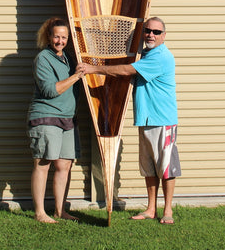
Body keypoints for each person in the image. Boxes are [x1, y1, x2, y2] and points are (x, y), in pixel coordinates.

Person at [76, 17, 181, 224]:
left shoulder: (160, 57)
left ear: (164, 36)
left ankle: (167, 210)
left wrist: (93, 68)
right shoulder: (145, 54)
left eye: (156, 32)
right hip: (147, 119)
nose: (151, 34)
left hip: (163, 120)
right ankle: (151, 209)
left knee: (167, 168)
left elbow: (126, 70)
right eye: (148, 30)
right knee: (149, 168)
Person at [28, 17, 83, 223]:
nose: (60, 41)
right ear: (48, 37)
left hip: (67, 119)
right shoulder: (43, 58)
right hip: (46, 116)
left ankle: (61, 211)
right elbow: (50, 90)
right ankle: (40, 212)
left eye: (64, 37)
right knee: (43, 163)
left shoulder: (67, 58)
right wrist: (76, 76)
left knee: (64, 166)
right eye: (56, 36)